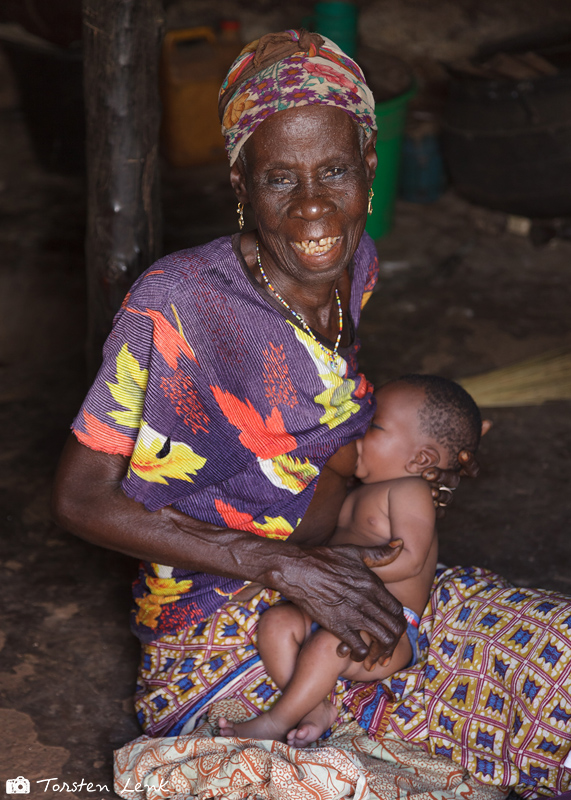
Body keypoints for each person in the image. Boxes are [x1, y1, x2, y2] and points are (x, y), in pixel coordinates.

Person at [52, 29, 475, 739]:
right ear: (242, 185)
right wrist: (280, 566)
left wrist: (383, 502)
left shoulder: (354, 259)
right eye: (280, 178)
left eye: (335, 172)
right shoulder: (178, 306)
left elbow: (319, 415)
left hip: (331, 562)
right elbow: (76, 498)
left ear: (370, 168)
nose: (314, 210)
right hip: (219, 610)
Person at [218, 374, 485, 745]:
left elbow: (408, 559)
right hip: (327, 607)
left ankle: (277, 720)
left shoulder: (409, 491)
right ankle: (313, 707)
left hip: (383, 626)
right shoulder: (355, 490)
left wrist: (330, 568)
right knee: (275, 623)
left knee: (331, 645)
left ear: (420, 458)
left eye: (372, 426)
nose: (356, 432)